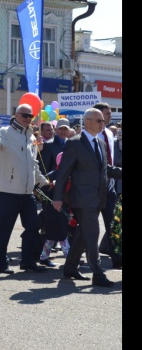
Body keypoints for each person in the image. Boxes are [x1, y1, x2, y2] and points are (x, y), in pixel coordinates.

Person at [0, 104, 50, 274]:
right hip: (9, 191)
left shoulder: (30, 136)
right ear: (16, 115)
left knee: (32, 227)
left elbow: (33, 164)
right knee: (4, 229)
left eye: (30, 116)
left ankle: (28, 261)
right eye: (24, 115)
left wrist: (44, 182)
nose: (28, 118)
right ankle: (1, 261)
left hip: (27, 192)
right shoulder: (5, 132)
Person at [53, 107, 122, 287]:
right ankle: (97, 273)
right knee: (92, 234)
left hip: (99, 197)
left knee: (83, 234)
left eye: (103, 121)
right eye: (100, 121)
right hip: (83, 199)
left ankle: (70, 268)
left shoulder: (101, 143)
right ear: (88, 121)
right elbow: (63, 172)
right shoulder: (74, 143)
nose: (103, 123)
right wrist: (57, 197)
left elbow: (106, 169)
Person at [93, 102, 120, 269]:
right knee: (88, 227)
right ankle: (73, 261)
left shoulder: (109, 133)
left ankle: (117, 259)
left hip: (110, 187)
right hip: (94, 189)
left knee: (113, 224)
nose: (110, 116)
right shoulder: (91, 136)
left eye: (110, 113)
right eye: (107, 113)